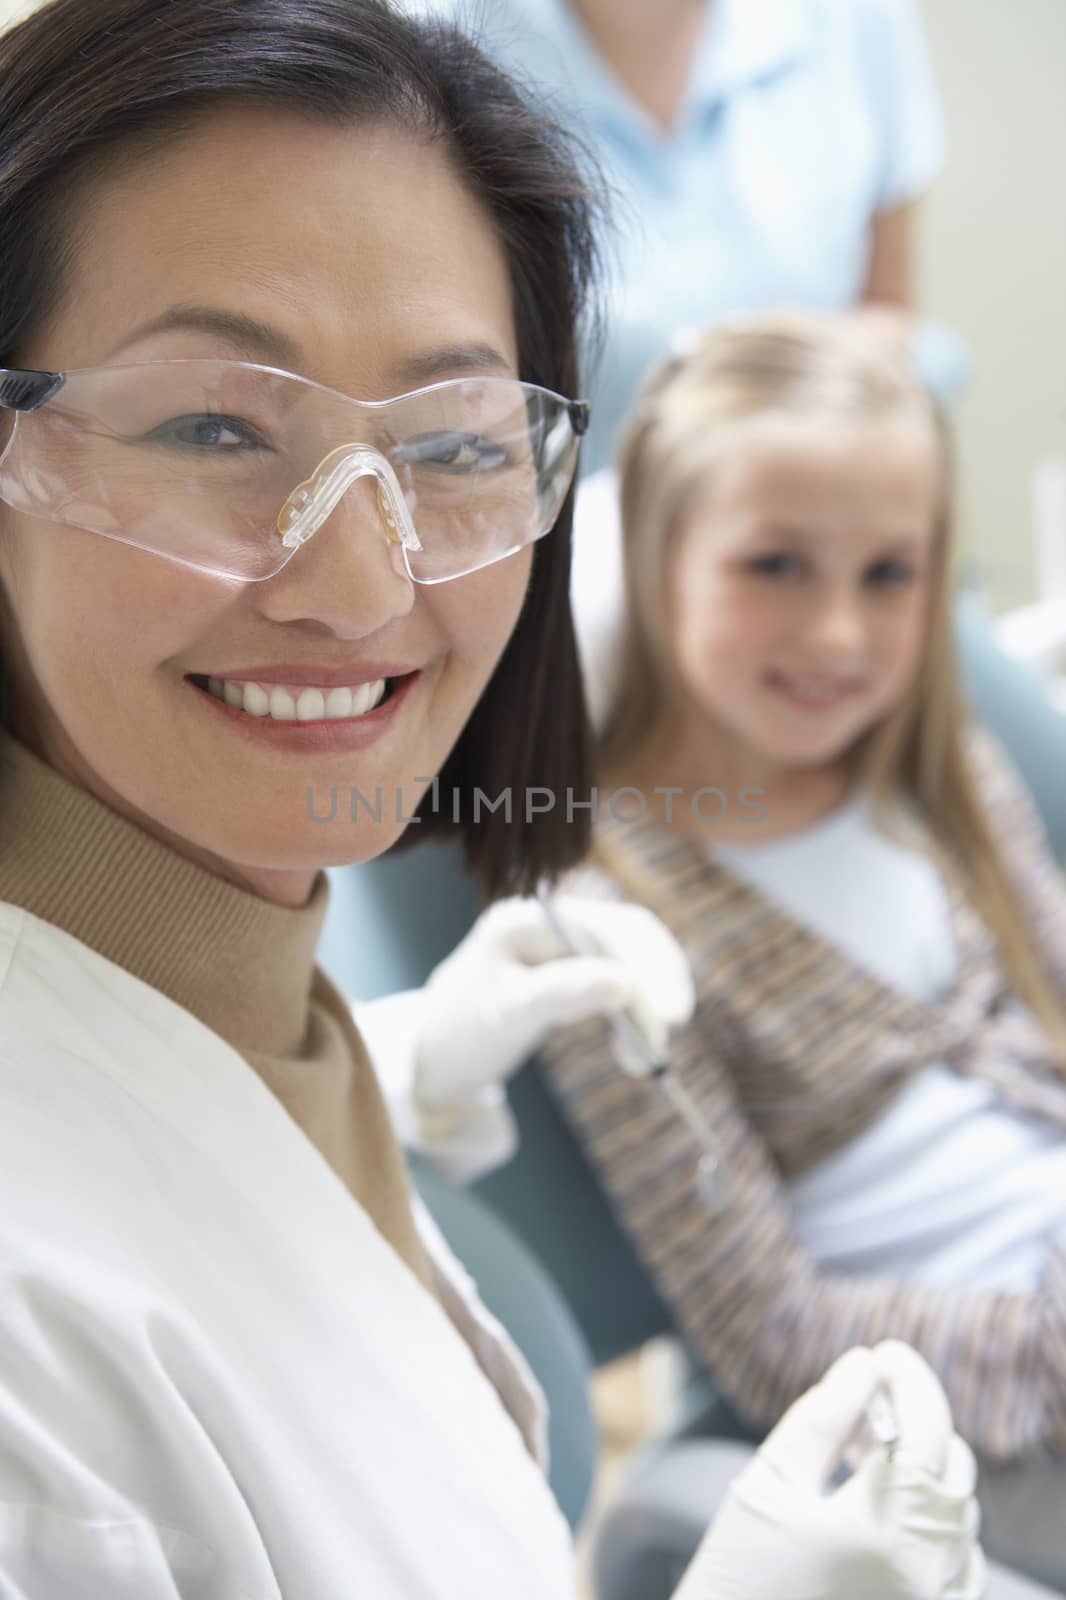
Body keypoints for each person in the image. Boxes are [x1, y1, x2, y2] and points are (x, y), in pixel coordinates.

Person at [0, 2, 987, 1596]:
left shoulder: (226, 961)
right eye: (211, 426)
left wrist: (373, 1073)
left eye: (455, 444)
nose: (353, 580)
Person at [488, 311, 1066, 1592]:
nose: (842, 639)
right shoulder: (603, 912)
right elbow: (767, 1331)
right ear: (656, 560)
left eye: (888, 575)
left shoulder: (944, 774)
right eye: (774, 567)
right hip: (966, 1421)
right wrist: (1045, 1345)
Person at [420, 0, 953, 473]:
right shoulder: (437, 37)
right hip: (556, 543)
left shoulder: (855, 22)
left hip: (802, 518)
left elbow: (886, 307)